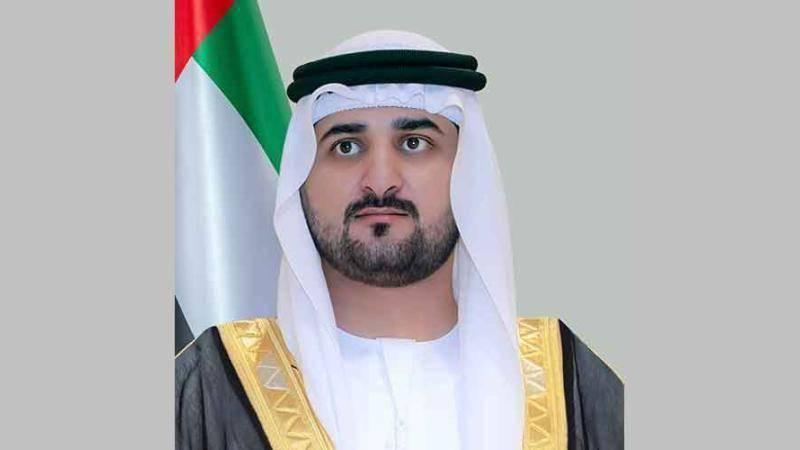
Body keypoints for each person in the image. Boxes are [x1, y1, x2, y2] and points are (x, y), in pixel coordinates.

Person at [175, 30, 623, 450]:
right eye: (346, 147)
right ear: (302, 180)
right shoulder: (209, 386)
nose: (380, 180)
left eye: (414, 143)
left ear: (469, 175)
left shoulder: (571, 383)